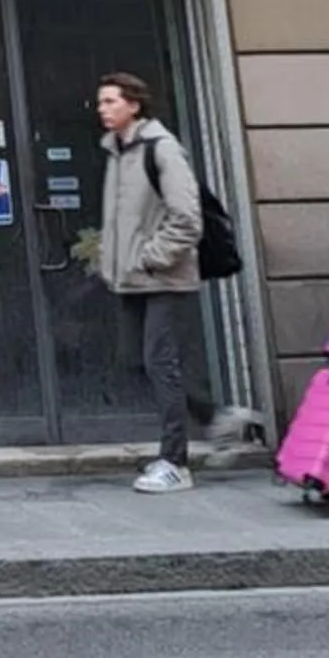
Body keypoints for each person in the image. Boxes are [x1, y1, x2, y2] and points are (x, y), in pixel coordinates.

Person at [96, 72, 204, 493]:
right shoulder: (116, 152)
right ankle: (213, 416)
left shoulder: (162, 149)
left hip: (163, 279)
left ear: (134, 105)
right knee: (138, 361)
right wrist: (113, 261)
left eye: (110, 101)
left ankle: (176, 461)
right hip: (130, 279)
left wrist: (151, 257)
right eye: (101, 102)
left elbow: (187, 218)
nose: (103, 109)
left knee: (160, 363)